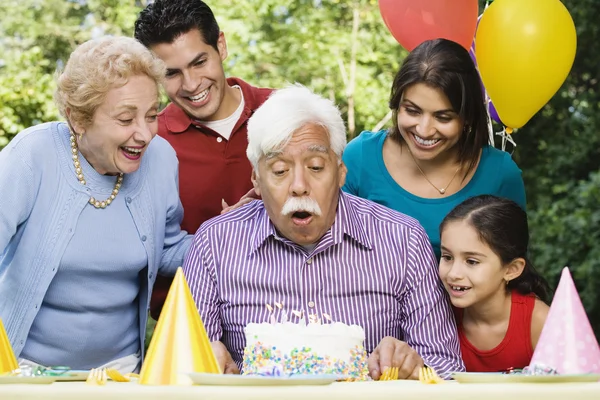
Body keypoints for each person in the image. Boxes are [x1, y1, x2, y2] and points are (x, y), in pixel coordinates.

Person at [183, 84, 464, 380]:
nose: (299, 185)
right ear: (256, 178)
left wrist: (413, 366)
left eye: (316, 167)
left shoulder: (403, 240)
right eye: (279, 170)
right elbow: (181, 369)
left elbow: (446, 369)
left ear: (341, 171)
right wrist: (203, 363)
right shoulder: (214, 243)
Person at [0, 36, 192, 373]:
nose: (144, 134)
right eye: (125, 119)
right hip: (27, 373)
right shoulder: (32, 156)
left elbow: (169, 250)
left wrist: (234, 232)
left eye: (151, 115)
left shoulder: (161, 159)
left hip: (120, 374)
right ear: (78, 119)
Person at [134, 0, 273, 319]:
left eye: (199, 62)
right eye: (172, 73)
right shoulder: (147, 142)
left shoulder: (284, 111)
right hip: (187, 328)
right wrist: (222, 235)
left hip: (287, 321)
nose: (192, 84)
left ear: (220, 46)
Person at [342, 38, 526, 259]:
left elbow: (513, 268)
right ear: (397, 104)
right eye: (412, 111)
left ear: (466, 117)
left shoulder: (500, 174)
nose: (424, 130)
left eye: (443, 117)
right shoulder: (360, 158)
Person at [438, 195, 551, 372]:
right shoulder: (437, 314)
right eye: (447, 257)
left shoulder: (541, 323)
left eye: (472, 261)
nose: (453, 273)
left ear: (511, 269)